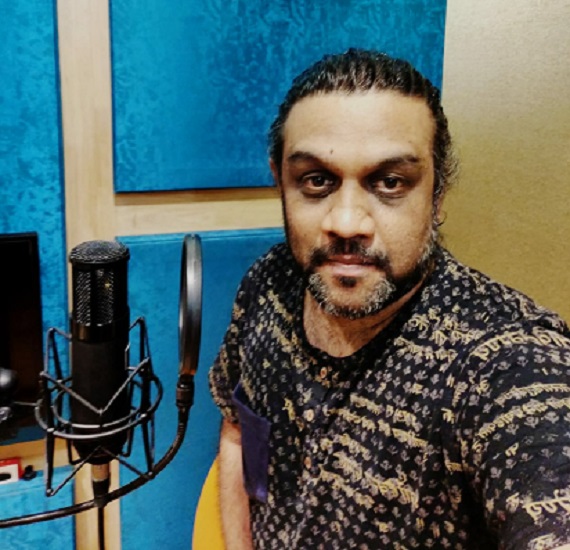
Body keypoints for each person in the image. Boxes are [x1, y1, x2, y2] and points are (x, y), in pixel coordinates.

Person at [208, 49, 570, 549]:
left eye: (390, 182)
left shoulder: (505, 362)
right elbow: (235, 429)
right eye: (316, 181)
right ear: (280, 182)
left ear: (438, 195)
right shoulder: (270, 283)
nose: (346, 222)